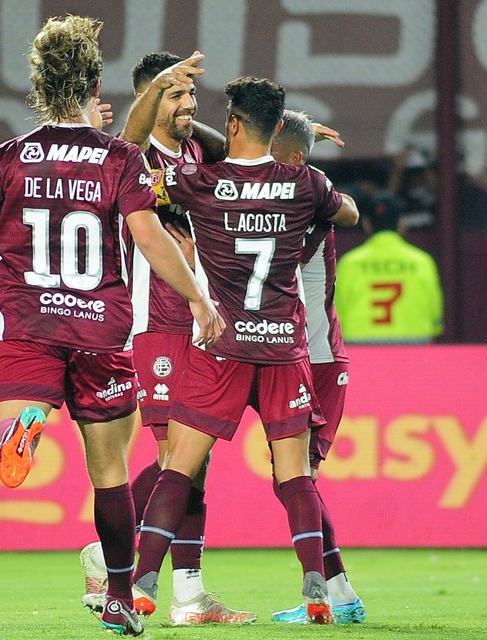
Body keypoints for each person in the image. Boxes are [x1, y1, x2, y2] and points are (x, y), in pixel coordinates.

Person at [0, 15, 224, 636]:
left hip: (29, 327)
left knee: (5, 453)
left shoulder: (9, 157)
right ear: (94, 84)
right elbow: (151, 239)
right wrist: (199, 300)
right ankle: (120, 599)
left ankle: (22, 426)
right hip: (101, 333)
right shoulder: (120, 158)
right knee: (111, 477)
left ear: (39, 86)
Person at [128, 76, 359, 626]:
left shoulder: (197, 182)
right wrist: (309, 175)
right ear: (277, 129)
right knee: (295, 477)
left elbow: (133, 166)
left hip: (222, 348)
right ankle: (316, 584)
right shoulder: (307, 183)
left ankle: (143, 582)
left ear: (232, 124)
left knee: (178, 468)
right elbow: (348, 213)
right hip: (284, 351)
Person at [79, 50, 254, 625]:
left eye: (190, 94)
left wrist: (277, 130)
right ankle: (182, 594)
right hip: (155, 321)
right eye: (176, 95)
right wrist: (155, 95)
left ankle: (125, 561)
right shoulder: (132, 157)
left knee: (191, 460)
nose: (188, 104)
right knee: (179, 460)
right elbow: (131, 137)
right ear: (148, 98)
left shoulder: (198, 153)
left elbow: (244, 151)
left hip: (201, 320)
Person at [268, 109, 365, 624]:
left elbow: (348, 211)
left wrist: (308, 161)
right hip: (297, 353)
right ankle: (339, 590)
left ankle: (337, 593)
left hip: (317, 355)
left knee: (296, 479)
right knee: (293, 479)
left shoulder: (305, 196)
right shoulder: (296, 187)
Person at [334, 191, 443, 344]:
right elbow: (436, 320)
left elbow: (336, 317)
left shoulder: (348, 264)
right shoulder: (422, 262)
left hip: (361, 346)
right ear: (401, 223)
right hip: (414, 345)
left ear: (366, 224)